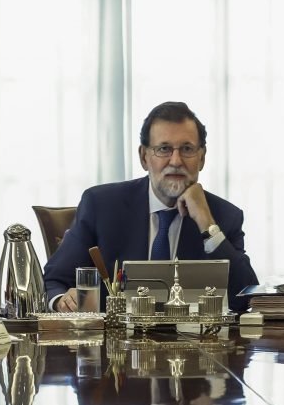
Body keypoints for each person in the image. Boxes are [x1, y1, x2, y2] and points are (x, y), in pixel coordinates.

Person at [44, 101, 258, 312]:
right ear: (144, 157)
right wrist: (63, 300)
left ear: (201, 158)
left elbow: (246, 299)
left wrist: (206, 223)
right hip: (115, 345)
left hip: (194, 344)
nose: (176, 160)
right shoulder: (101, 206)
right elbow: (54, 281)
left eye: (187, 149)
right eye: (164, 149)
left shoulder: (224, 216)